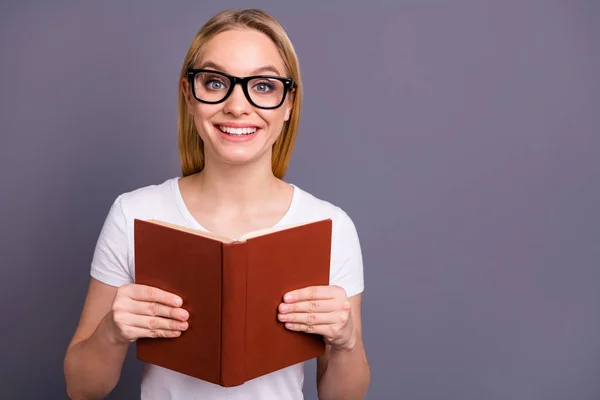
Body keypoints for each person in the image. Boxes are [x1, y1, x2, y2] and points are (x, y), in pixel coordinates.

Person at [63, 8, 370, 400]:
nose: (237, 106)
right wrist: (112, 331)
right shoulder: (133, 213)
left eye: (262, 85)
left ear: (289, 103)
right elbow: (81, 389)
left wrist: (345, 343)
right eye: (214, 82)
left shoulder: (330, 225)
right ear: (189, 96)